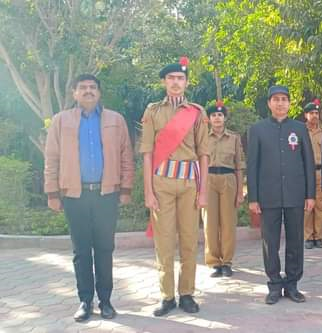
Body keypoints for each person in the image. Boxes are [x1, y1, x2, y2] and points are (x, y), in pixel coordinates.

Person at [44, 74, 134, 321]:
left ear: (99, 93)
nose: (88, 91)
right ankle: (85, 301)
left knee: (105, 249)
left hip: (106, 194)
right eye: (82, 88)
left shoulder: (115, 120)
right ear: (74, 93)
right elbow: (51, 158)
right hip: (75, 195)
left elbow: (127, 154)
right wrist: (52, 192)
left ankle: (106, 301)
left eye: (93, 87)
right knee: (81, 250)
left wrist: (126, 188)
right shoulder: (61, 121)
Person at [139, 57, 209, 316]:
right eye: (171, 78)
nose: (176, 82)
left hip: (190, 183)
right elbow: (147, 153)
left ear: (186, 82)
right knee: (164, 242)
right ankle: (167, 296)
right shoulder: (152, 111)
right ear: (164, 82)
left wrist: (203, 191)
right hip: (162, 183)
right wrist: (148, 191)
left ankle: (187, 293)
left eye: (180, 78)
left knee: (190, 241)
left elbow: (204, 153)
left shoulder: (197, 112)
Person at [247, 85, 316, 304]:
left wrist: (310, 194)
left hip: (296, 195)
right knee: (270, 243)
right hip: (268, 196)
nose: (280, 103)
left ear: (289, 103)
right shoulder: (257, 130)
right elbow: (252, 166)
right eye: (275, 99)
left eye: (284, 99)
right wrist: (253, 198)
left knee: (296, 241)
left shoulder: (299, 128)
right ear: (269, 103)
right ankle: (275, 285)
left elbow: (308, 163)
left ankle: (293, 284)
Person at [203, 100, 245, 278]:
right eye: (213, 115)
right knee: (209, 223)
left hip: (228, 179)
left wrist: (241, 190)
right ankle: (214, 262)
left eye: (220, 115)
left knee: (228, 223)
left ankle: (227, 262)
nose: (217, 118)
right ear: (209, 119)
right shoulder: (203, 137)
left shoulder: (234, 138)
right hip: (208, 180)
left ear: (225, 118)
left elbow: (239, 165)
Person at [303, 99, 322, 249]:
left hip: (321, 172)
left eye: (316, 113)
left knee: (320, 206)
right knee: (307, 206)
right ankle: (308, 237)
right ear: (305, 115)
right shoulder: (300, 131)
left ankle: (318, 236)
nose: (314, 115)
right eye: (311, 113)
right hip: (306, 173)